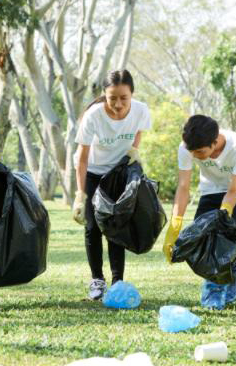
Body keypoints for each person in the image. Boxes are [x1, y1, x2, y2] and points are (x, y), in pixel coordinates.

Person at [163, 115, 236, 310]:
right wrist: (175, 226)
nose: (195, 155)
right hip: (211, 189)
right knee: (199, 239)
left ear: (215, 142)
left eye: (200, 152)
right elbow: (183, 187)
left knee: (223, 240)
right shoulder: (187, 148)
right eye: (193, 152)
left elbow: (233, 191)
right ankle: (234, 281)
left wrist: (223, 217)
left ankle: (214, 292)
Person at [72, 69, 152, 300]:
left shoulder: (141, 110)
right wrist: (80, 194)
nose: (118, 104)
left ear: (132, 94)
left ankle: (118, 281)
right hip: (93, 171)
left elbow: (138, 132)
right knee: (92, 227)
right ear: (105, 95)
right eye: (112, 98)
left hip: (118, 172)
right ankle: (97, 280)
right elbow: (83, 157)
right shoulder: (94, 115)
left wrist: (133, 150)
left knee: (116, 225)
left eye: (123, 98)